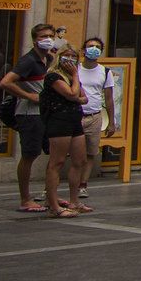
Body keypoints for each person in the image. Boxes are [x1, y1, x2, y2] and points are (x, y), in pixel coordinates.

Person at [0, 23, 56, 213]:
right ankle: (25, 199)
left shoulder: (48, 59)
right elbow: (6, 82)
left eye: (50, 35)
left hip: (46, 114)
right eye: (43, 36)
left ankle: (51, 195)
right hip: (30, 114)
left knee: (55, 154)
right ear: (34, 40)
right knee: (29, 155)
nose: (47, 39)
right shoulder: (29, 60)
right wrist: (30, 96)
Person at [38, 47, 86, 217]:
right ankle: (53, 205)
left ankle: (74, 201)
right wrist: (75, 78)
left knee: (79, 161)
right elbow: (72, 93)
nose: (71, 59)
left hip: (74, 119)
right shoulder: (53, 76)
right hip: (59, 121)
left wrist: (75, 92)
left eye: (74, 57)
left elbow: (83, 97)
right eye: (67, 56)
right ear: (59, 58)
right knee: (56, 162)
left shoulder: (72, 77)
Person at [73, 37, 119, 207]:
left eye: (97, 47)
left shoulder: (105, 72)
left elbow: (109, 98)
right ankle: (51, 187)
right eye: (90, 46)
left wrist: (112, 122)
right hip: (75, 115)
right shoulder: (75, 69)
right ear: (83, 50)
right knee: (64, 152)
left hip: (94, 115)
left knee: (91, 152)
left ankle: (83, 184)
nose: (94, 49)